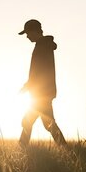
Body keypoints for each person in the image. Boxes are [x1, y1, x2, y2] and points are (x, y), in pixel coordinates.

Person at [18, 19, 67, 147]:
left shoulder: (42, 47)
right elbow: (38, 71)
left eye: (28, 33)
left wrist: (28, 86)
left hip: (41, 93)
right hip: (42, 92)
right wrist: (28, 86)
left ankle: (21, 150)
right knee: (44, 123)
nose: (27, 36)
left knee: (31, 122)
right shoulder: (43, 45)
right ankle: (67, 150)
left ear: (34, 31)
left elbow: (38, 71)